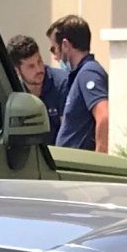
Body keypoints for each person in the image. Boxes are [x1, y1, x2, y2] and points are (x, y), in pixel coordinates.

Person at [46, 15, 108, 153]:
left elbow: (103, 115)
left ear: (65, 45)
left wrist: (101, 161)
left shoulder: (89, 73)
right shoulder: (79, 76)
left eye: (54, 49)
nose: (55, 56)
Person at [7, 32, 66, 119]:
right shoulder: (14, 91)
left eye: (39, 61)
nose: (39, 70)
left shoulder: (62, 82)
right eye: (31, 66)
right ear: (17, 71)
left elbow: (67, 128)